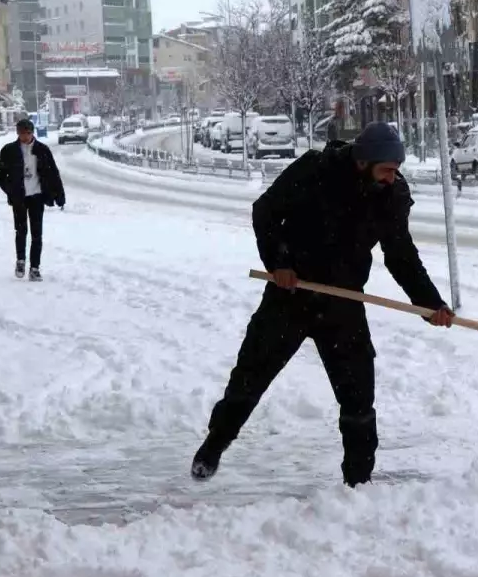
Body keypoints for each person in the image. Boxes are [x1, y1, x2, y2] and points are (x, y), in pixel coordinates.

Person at [191, 122, 454, 487]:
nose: (394, 178)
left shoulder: (390, 195)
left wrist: (430, 304)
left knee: (359, 396)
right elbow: (265, 211)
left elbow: (401, 256)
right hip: (290, 296)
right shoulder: (315, 169)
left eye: (396, 170)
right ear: (364, 162)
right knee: (251, 376)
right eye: (388, 169)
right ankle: (214, 445)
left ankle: (358, 482)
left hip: (343, 304)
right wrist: (279, 263)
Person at [0, 118, 65, 281]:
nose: (24, 137)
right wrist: (10, 190)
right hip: (19, 197)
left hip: (37, 196)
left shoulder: (42, 150)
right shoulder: (9, 150)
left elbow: (53, 173)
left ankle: (34, 268)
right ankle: (20, 260)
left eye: (26, 133)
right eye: (20, 133)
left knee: (37, 233)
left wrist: (59, 195)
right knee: (21, 231)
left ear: (32, 133)